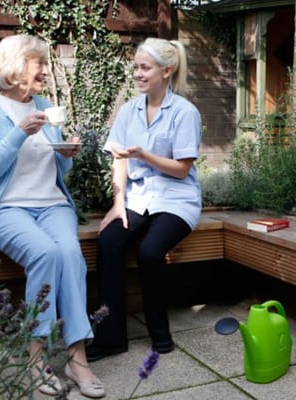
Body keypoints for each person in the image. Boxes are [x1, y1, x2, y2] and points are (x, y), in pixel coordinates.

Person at [0, 33, 104, 398]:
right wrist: (17, 134)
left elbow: (53, 167)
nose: (45, 69)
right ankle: (36, 356)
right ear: (15, 67)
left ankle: (77, 358)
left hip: (51, 205)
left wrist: (66, 154)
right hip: (5, 208)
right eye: (38, 63)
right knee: (44, 252)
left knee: (71, 254)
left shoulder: (45, 105)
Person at [86, 37, 202, 361]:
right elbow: (119, 159)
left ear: (166, 71)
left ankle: (160, 336)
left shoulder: (185, 113)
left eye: (144, 67)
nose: (137, 73)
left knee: (150, 252)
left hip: (176, 199)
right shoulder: (128, 111)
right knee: (109, 242)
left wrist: (145, 155)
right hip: (137, 197)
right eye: (136, 66)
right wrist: (118, 203)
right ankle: (111, 338)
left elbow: (181, 170)